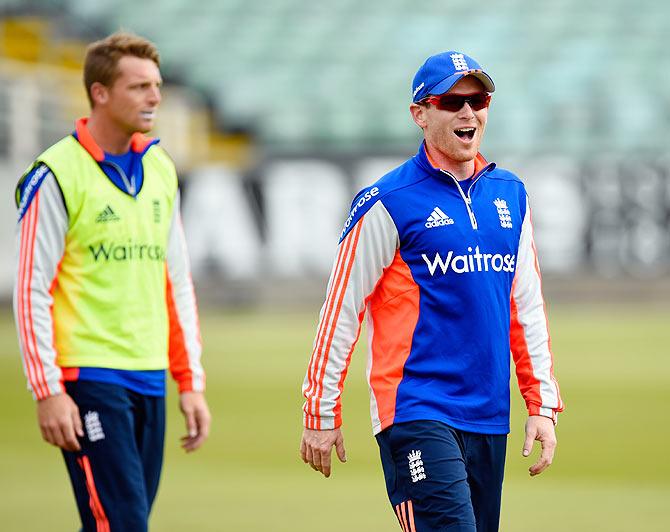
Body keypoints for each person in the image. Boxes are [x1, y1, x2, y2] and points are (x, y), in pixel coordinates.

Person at [300, 51, 563, 531]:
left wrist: (541, 403)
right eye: (451, 101)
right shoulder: (387, 201)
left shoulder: (511, 193)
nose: (468, 112)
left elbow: (525, 308)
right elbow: (342, 307)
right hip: (416, 410)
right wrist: (321, 406)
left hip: (489, 415)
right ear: (420, 113)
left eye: (478, 99)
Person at [13, 32, 210, 532]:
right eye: (139, 86)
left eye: (157, 85)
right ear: (100, 93)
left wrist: (190, 382)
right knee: (123, 525)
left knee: (117, 521)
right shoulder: (56, 173)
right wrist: (47, 389)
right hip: (88, 377)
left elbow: (176, 280)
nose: (154, 97)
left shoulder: (161, 168)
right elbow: (31, 288)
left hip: (149, 374)